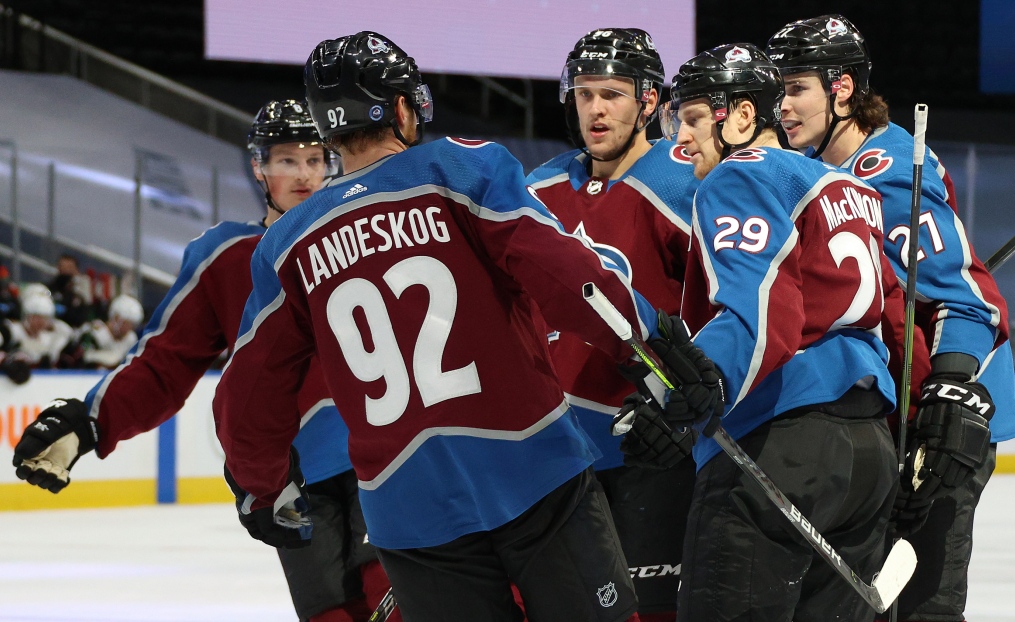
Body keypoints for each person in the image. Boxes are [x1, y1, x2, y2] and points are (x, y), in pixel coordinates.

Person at [212, 31, 680, 622]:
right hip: (533, 469)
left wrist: (260, 486)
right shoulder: (461, 166)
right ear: (405, 108)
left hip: (407, 512)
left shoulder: (286, 243)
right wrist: (655, 348)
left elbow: (249, 393)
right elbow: (571, 280)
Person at [11, 100, 396, 622]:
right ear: (259, 166)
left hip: (388, 455)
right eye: (286, 160)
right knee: (334, 613)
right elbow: (163, 360)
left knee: (402, 604)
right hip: (292, 474)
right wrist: (90, 422)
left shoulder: (366, 234)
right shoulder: (225, 256)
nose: (303, 174)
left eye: (314, 159)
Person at [767, 16, 1015, 622]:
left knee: (921, 607)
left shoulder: (887, 170)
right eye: (776, 89)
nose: (783, 105)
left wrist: (948, 400)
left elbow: (966, 298)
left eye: (796, 86)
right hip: (885, 419)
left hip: (941, 420)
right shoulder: (813, 171)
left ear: (843, 88)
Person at [639, 43, 900, 621]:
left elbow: (761, 320)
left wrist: (677, 390)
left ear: (740, 116)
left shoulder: (741, 174)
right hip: (868, 452)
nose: (680, 141)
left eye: (693, 118)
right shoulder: (846, 187)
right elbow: (895, 317)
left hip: (782, 443)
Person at [525, 27, 698, 622]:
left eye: (613, 94)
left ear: (649, 101)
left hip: (650, 450)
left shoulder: (687, 184)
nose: (595, 109)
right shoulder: (538, 188)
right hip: (553, 456)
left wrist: (685, 408)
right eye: (584, 93)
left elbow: (728, 310)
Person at [66, 294, 144, 369]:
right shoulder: (93, 333)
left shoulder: (130, 338)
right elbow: (83, 359)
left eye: (132, 325)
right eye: (127, 323)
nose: (129, 328)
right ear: (116, 318)